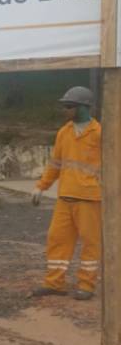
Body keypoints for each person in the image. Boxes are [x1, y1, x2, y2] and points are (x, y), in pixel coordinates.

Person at [30, 86, 102, 301]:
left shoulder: (100, 133)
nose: (65, 110)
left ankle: (86, 285)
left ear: (84, 107)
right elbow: (55, 164)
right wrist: (41, 186)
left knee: (90, 243)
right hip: (65, 197)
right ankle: (55, 283)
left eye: (69, 106)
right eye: (64, 106)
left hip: (91, 198)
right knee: (57, 240)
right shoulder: (64, 132)